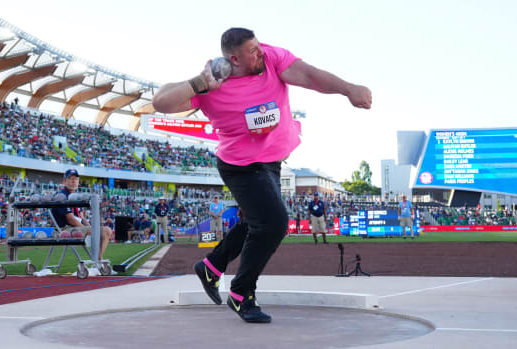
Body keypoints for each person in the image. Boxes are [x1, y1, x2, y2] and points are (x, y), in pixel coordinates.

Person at [153, 27, 371, 323]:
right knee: (275, 222)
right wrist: (199, 83)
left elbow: (309, 75)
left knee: (258, 223)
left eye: (258, 47)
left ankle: (211, 266)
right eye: (252, 51)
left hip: (271, 162)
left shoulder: (271, 59)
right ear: (234, 59)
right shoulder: (212, 85)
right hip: (240, 165)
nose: (260, 53)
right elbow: (161, 103)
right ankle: (242, 293)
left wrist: (348, 89)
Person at [50, 169, 112, 259]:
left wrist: (91, 227)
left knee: (106, 230)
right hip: (65, 229)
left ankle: (98, 259)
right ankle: (98, 260)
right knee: (105, 231)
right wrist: (89, 229)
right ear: (64, 181)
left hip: (75, 227)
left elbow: (82, 217)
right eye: (70, 178)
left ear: (78, 182)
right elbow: (70, 219)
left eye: (76, 179)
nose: (73, 181)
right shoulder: (62, 196)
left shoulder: (75, 196)